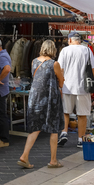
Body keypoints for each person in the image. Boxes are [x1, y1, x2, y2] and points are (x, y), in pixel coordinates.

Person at [18, 40, 64, 169]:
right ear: (53, 50)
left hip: (35, 98)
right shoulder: (54, 64)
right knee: (53, 128)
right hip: (50, 99)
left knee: (35, 127)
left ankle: (24, 155)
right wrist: (62, 74)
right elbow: (61, 83)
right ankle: (53, 160)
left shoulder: (34, 61)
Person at [58, 32, 94, 148]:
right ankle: (80, 139)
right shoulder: (87, 50)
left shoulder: (65, 51)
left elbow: (60, 69)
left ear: (69, 40)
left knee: (65, 112)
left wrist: (60, 86)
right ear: (79, 40)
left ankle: (64, 132)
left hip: (67, 86)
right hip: (83, 87)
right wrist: (92, 84)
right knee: (82, 114)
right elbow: (93, 69)